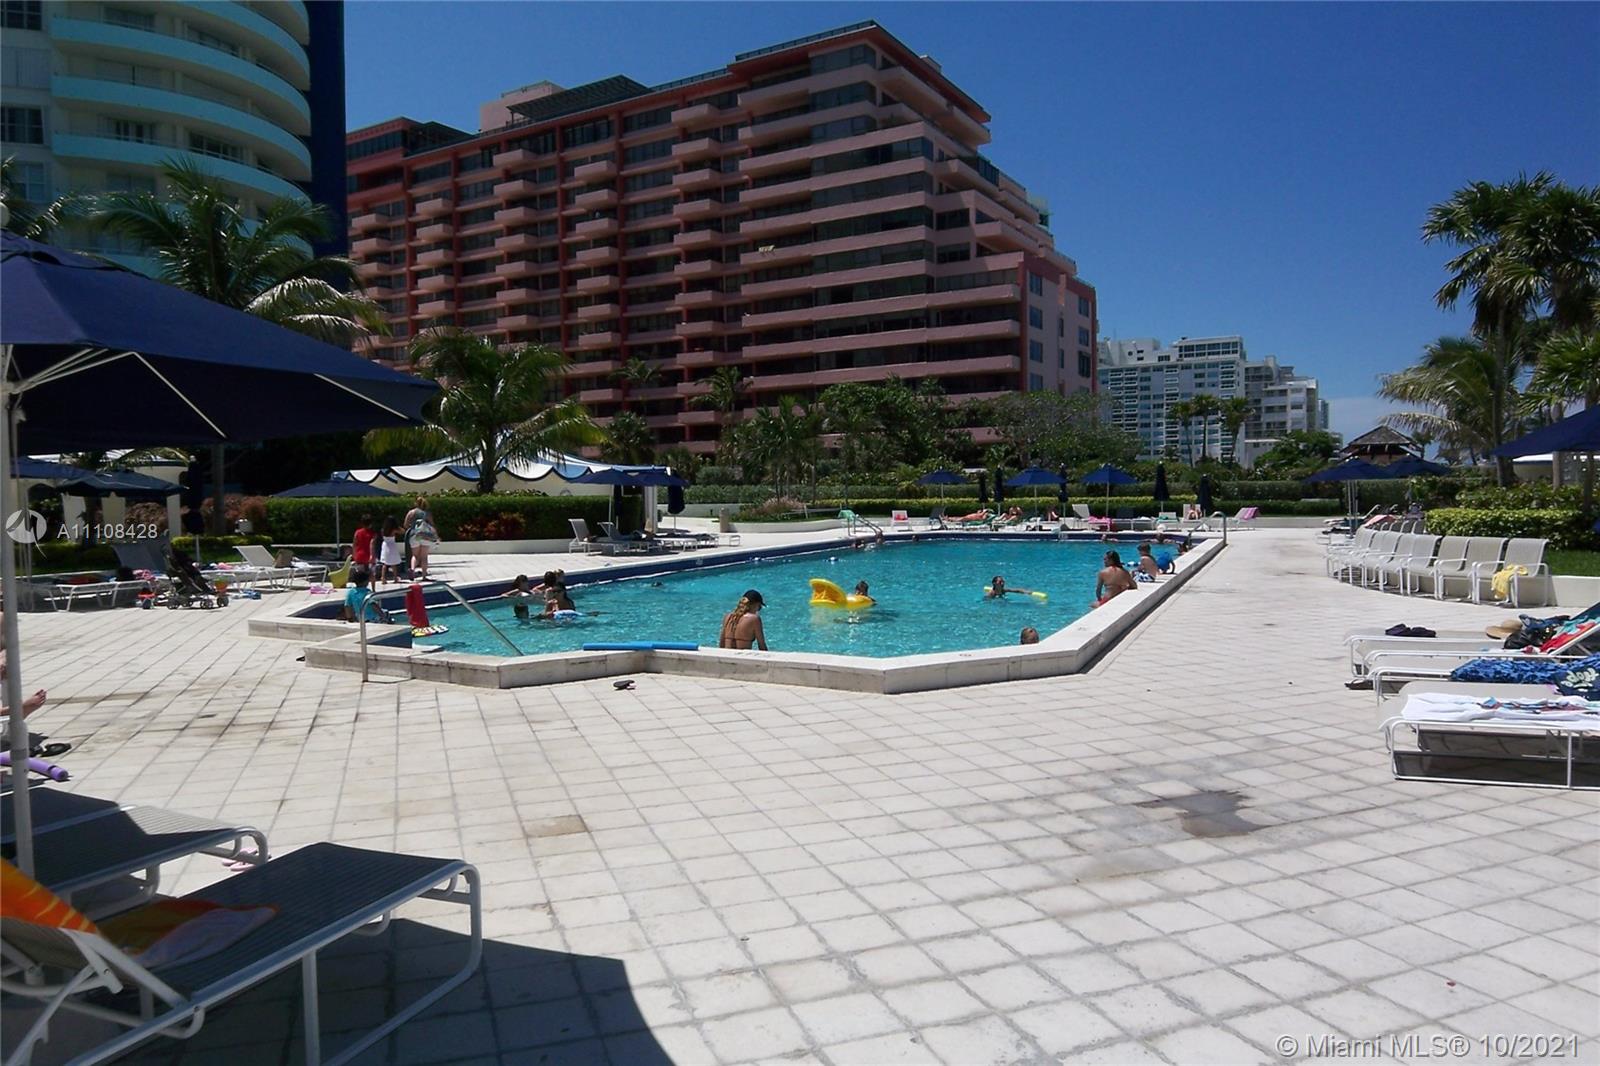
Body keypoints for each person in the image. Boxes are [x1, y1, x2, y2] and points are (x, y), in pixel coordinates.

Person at [407, 497, 438, 580]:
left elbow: (405, 524)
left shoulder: (411, 512)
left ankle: (412, 569)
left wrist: (412, 526)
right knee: (424, 556)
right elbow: (432, 524)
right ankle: (424, 576)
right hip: (425, 535)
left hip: (414, 535)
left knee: (415, 555)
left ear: (416, 503)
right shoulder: (427, 513)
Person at [378, 517, 402, 585]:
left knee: (385, 563)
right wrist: (398, 526)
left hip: (385, 545)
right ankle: (395, 577)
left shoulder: (383, 530)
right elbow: (402, 531)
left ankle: (383, 577)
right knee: (393, 563)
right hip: (392, 545)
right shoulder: (394, 530)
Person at [351, 514, 376, 579]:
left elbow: (354, 545)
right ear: (371, 524)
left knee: (360, 576)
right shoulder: (373, 534)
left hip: (359, 556)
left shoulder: (357, 532)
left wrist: (354, 555)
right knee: (372, 574)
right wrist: (372, 556)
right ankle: (372, 586)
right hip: (369, 556)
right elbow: (372, 545)